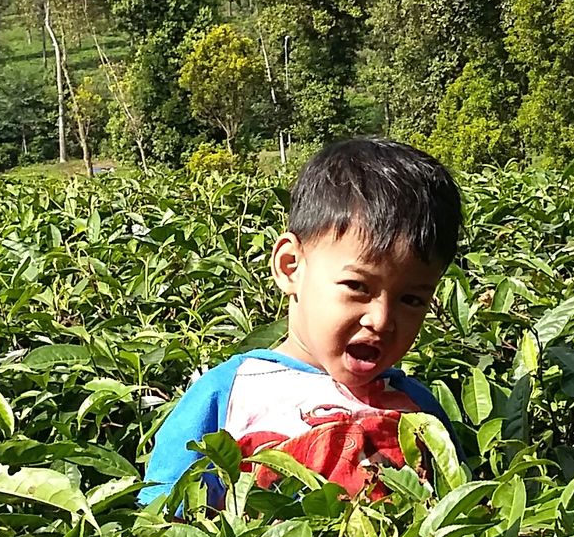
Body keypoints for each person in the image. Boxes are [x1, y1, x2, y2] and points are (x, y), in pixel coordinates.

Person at [141, 136, 462, 505]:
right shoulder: (229, 395)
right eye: (357, 286)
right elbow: (164, 519)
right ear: (290, 267)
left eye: (412, 299)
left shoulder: (417, 409)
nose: (382, 319)